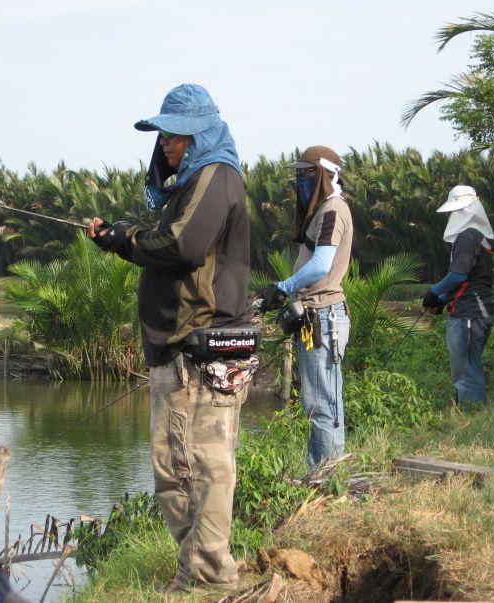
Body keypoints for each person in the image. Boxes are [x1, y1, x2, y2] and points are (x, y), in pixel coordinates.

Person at [88, 83, 254, 593]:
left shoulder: (216, 175)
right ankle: (200, 569)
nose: (165, 142)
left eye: (176, 134)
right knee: (172, 468)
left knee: (204, 464)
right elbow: (172, 236)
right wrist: (121, 238)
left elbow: (181, 245)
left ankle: (207, 574)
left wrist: (123, 238)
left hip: (198, 347)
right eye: (163, 134)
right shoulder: (191, 182)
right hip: (176, 349)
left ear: (201, 134)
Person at [254, 146, 353, 472]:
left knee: (324, 403)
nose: (302, 178)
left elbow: (321, 265)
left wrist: (282, 288)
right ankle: (320, 473)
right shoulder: (322, 209)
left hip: (324, 315)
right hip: (314, 316)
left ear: (325, 174)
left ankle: (328, 477)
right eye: (299, 173)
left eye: (308, 173)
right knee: (316, 402)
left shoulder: (333, 210)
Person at [422, 185, 494, 405]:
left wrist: (433, 292)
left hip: (468, 314)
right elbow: (470, 280)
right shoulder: (480, 236)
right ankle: (470, 409)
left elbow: (458, 276)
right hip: (474, 309)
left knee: (466, 369)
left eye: (454, 211)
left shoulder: (467, 236)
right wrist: (443, 301)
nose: (451, 216)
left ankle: (472, 417)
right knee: (468, 364)